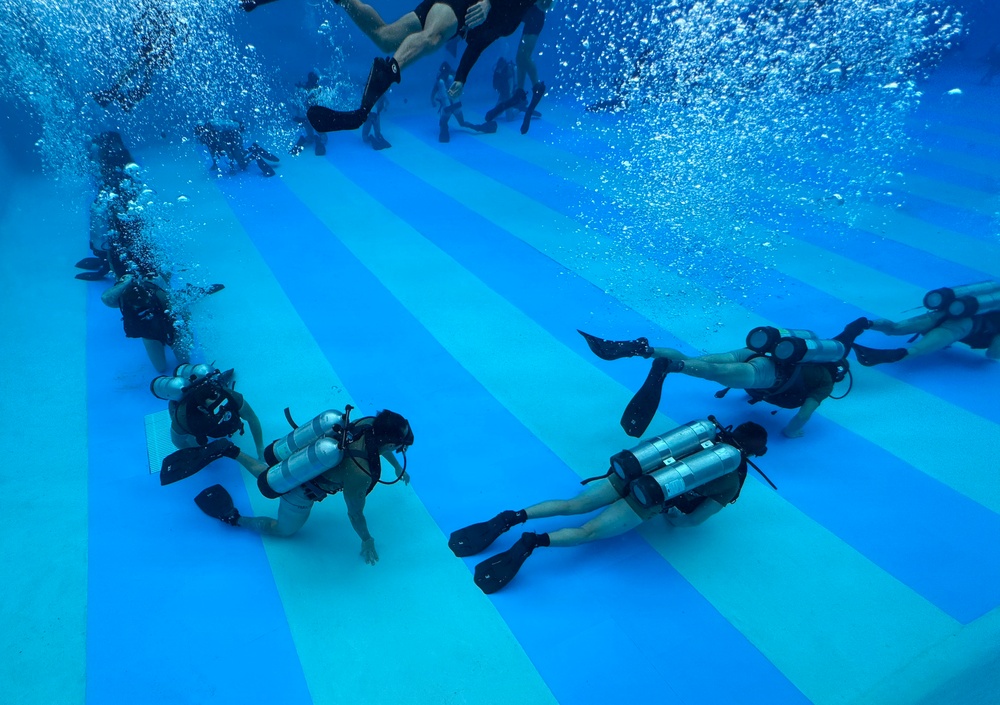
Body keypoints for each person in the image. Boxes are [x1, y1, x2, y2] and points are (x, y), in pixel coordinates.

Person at [450, 418, 768, 593]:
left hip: (630, 473)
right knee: (587, 531)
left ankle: (513, 517)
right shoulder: (730, 477)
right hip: (649, 497)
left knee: (571, 505)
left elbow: (654, 446)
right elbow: (692, 521)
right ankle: (534, 541)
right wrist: (671, 517)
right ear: (754, 453)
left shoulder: (701, 435)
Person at [162, 408, 414, 564]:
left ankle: (232, 451)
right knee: (284, 531)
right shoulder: (361, 475)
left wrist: (394, 465)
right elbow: (355, 513)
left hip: (301, 456)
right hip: (301, 490)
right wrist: (367, 539)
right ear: (391, 444)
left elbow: (378, 447)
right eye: (399, 447)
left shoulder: (369, 423)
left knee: (270, 473)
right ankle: (234, 519)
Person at [580, 319, 869, 439]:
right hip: (772, 373)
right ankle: (671, 366)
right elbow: (803, 414)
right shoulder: (825, 382)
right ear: (838, 373)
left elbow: (849, 332)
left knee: (703, 360)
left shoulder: (814, 355)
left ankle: (643, 349)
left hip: (757, 349)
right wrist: (791, 433)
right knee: (716, 373)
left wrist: (865, 325)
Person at [307, 0, 546, 133]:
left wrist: (461, 77)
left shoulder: (516, 20)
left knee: (385, 37)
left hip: (455, 14)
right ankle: (386, 75)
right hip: (459, 5)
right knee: (431, 38)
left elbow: (479, 44)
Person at [851, 281, 1000, 365]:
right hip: (959, 327)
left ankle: (867, 323)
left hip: (941, 313)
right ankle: (880, 357)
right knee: (915, 351)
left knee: (894, 328)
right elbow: (993, 353)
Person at [151, 364, 265, 458]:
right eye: (216, 406)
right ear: (202, 409)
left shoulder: (228, 395)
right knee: (192, 441)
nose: (222, 405)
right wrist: (200, 455)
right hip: (189, 415)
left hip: (210, 402)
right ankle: (173, 396)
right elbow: (178, 442)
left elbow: (251, 417)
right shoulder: (184, 417)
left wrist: (260, 449)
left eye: (219, 398)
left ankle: (185, 373)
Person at [91, 3, 188, 112]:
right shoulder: (170, 12)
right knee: (145, 71)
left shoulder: (163, 9)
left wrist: (138, 24)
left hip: (157, 46)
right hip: (159, 47)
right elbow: (181, 29)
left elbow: (146, 12)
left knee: (140, 68)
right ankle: (127, 98)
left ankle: (119, 94)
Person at [101, 272, 189, 372]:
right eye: (137, 307)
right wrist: (125, 283)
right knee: (161, 368)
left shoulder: (161, 296)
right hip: (149, 334)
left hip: (168, 326)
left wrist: (179, 334)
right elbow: (105, 298)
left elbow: (183, 314)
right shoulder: (123, 300)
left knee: (185, 361)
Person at [431, 62, 495, 142]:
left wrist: (433, 101)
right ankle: (480, 128)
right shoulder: (452, 77)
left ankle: (444, 136)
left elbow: (433, 93)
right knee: (462, 123)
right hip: (456, 105)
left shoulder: (439, 81)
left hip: (447, 108)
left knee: (443, 123)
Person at [193, 119, 280, 177]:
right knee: (239, 156)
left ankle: (255, 154)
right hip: (231, 138)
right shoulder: (208, 137)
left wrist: (232, 168)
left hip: (235, 137)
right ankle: (253, 147)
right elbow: (212, 150)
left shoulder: (214, 135)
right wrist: (215, 164)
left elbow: (227, 151)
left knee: (242, 165)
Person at [290, 72, 330, 157]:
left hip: (304, 117)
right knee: (324, 138)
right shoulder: (317, 89)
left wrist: (298, 117)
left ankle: (303, 140)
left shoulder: (302, 88)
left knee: (310, 137)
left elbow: (297, 105)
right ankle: (318, 141)